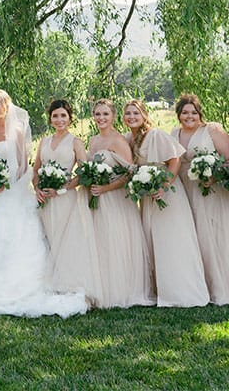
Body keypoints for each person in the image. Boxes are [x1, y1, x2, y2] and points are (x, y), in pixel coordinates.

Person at [0, 89, 87, 317]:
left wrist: (2, 185)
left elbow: (23, 167)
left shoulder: (17, 131)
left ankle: (9, 285)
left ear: (6, 107)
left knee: (7, 237)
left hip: (8, 195)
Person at [171, 94, 229, 305]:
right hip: (186, 192)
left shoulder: (212, 130)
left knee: (218, 237)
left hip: (213, 192)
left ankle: (227, 287)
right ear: (179, 115)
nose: (189, 116)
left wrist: (213, 175)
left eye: (193, 112)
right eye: (184, 112)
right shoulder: (174, 133)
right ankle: (202, 287)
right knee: (197, 239)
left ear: (200, 113)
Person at [123, 99, 209, 307]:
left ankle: (182, 293)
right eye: (128, 114)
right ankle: (160, 291)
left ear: (144, 115)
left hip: (167, 194)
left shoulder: (155, 135)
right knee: (154, 239)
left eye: (136, 113)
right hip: (147, 196)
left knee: (171, 240)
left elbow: (175, 160)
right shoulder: (128, 138)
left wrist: (164, 185)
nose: (132, 117)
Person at [33, 99, 102, 306]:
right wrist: (37, 188)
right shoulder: (44, 141)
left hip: (66, 198)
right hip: (45, 199)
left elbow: (83, 173)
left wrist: (62, 189)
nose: (59, 119)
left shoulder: (75, 142)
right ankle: (49, 282)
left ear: (70, 118)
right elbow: (36, 169)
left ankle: (69, 283)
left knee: (66, 239)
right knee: (48, 238)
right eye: (55, 116)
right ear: (50, 119)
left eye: (63, 115)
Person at [86, 99, 154, 308]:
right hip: (97, 198)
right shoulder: (93, 140)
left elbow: (130, 173)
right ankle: (103, 288)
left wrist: (106, 188)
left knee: (116, 241)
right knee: (101, 243)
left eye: (105, 114)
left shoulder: (118, 141)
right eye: (97, 114)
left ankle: (121, 290)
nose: (101, 118)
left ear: (113, 116)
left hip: (116, 199)